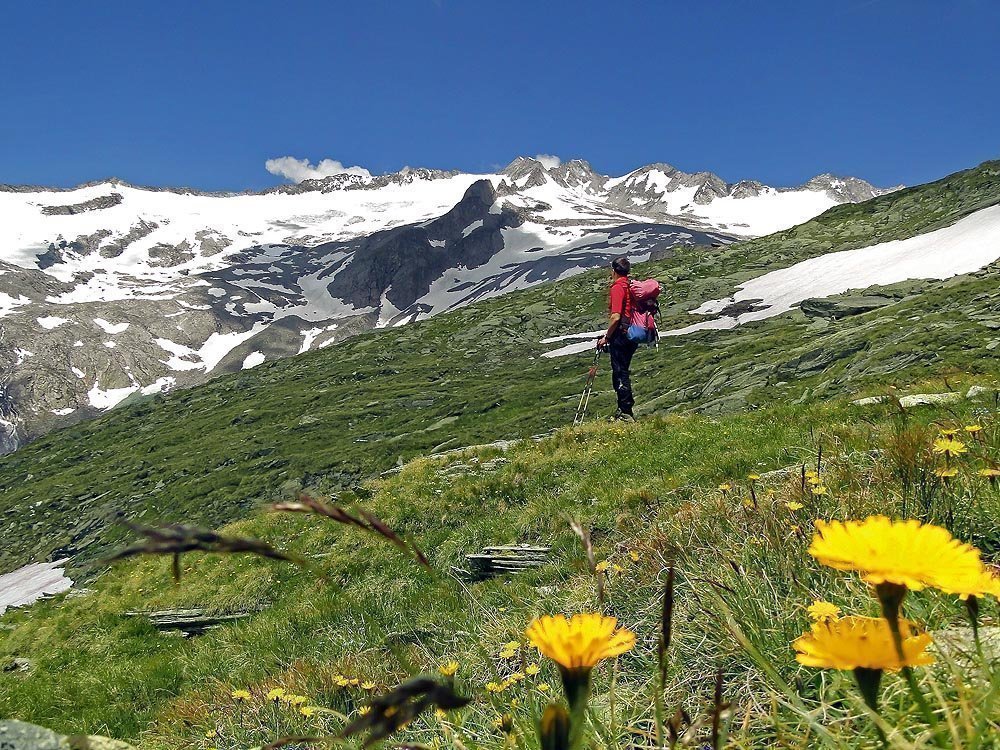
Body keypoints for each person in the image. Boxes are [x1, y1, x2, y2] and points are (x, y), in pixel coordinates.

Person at [596, 256, 639, 421]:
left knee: (620, 372)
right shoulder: (630, 285)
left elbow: (615, 317)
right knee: (624, 370)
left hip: (621, 334)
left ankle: (625, 412)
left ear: (614, 271)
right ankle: (625, 410)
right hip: (632, 333)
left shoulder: (617, 287)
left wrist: (607, 336)